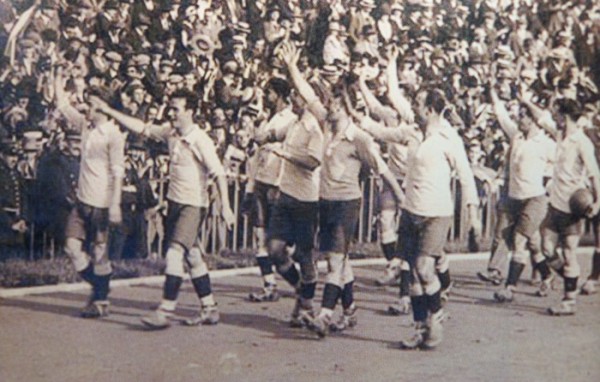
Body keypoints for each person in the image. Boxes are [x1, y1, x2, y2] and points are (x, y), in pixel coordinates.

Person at [279, 41, 403, 336]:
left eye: (334, 105)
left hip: (347, 204)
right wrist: (292, 68)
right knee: (341, 262)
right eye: (329, 104)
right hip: (325, 202)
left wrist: (402, 198)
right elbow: (308, 96)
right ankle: (350, 310)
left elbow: (383, 171)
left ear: (345, 107)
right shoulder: (326, 124)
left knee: (334, 261)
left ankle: (324, 315)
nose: (328, 108)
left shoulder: (359, 138)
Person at [91, 88, 235, 329]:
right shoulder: (171, 133)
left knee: (174, 254)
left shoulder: (200, 139)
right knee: (193, 256)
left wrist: (226, 207)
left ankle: (165, 311)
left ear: (190, 111)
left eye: (176, 109)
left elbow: (219, 173)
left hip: (193, 205)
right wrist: (109, 111)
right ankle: (209, 308)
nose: (171, 113)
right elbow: (142, 127)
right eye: (170, 108)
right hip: (175, 204)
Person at [397, 89, 481, 349]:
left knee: (424, 268)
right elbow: (379, 127)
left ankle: (436, 317)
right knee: (413, 275)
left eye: (418, 103)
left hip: (436, 212)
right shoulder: (413, 133)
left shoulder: (448, 138)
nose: (414, 107)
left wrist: (473, 215)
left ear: (430, 110)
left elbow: (466, 176)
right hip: (411, 210)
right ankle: (420, 327)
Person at [54, 68, 125, 319]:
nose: (88, 110)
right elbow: (62, 105)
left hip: (102, 204)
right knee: (72, 248)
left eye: (94, 106)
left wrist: (115, 204)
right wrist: (60, 78)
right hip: (82, 201)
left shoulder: (114, 136)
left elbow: (118, 172)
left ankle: (101, 300)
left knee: (99, 253)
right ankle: (99, 288)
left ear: (105, 109)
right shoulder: (86, 126)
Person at [489, 87, 557, 303]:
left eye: (523, 117)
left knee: (519, 242)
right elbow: (501, 115)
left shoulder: (546, 143)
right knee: (535, 244)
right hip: (514, 198)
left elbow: (562, 164)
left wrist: (551, 183)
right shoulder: (516, 136)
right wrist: (492, 91)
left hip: (535, 198)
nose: (519, 120)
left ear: (533, 120)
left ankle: (510, 287)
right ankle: (549, 273)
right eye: (518, 116)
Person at [539, 98, 600, 315]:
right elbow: (541, 119)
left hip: (573, 206)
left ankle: (568, 301)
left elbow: (594, 175)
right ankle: (570, 278)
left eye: (556, 114)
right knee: (545, 247)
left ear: (564, 117)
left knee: (569, 253)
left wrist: (597, 201)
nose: (553, 117)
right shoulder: (559, 136)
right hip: (555, 204)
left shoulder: (582, 142)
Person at [244, 78, 297, 303]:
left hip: (278, 185)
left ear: (280, 94)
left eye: (270, 92)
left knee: (282, 244)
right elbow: (257, 154)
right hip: (261, 183)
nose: (266, 95)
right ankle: (269, 285)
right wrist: (250, 186)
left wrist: (281, 185)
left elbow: (289, 155)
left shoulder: (292, 119)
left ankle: (300, 282)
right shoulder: (267, 119)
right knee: (260, 237)